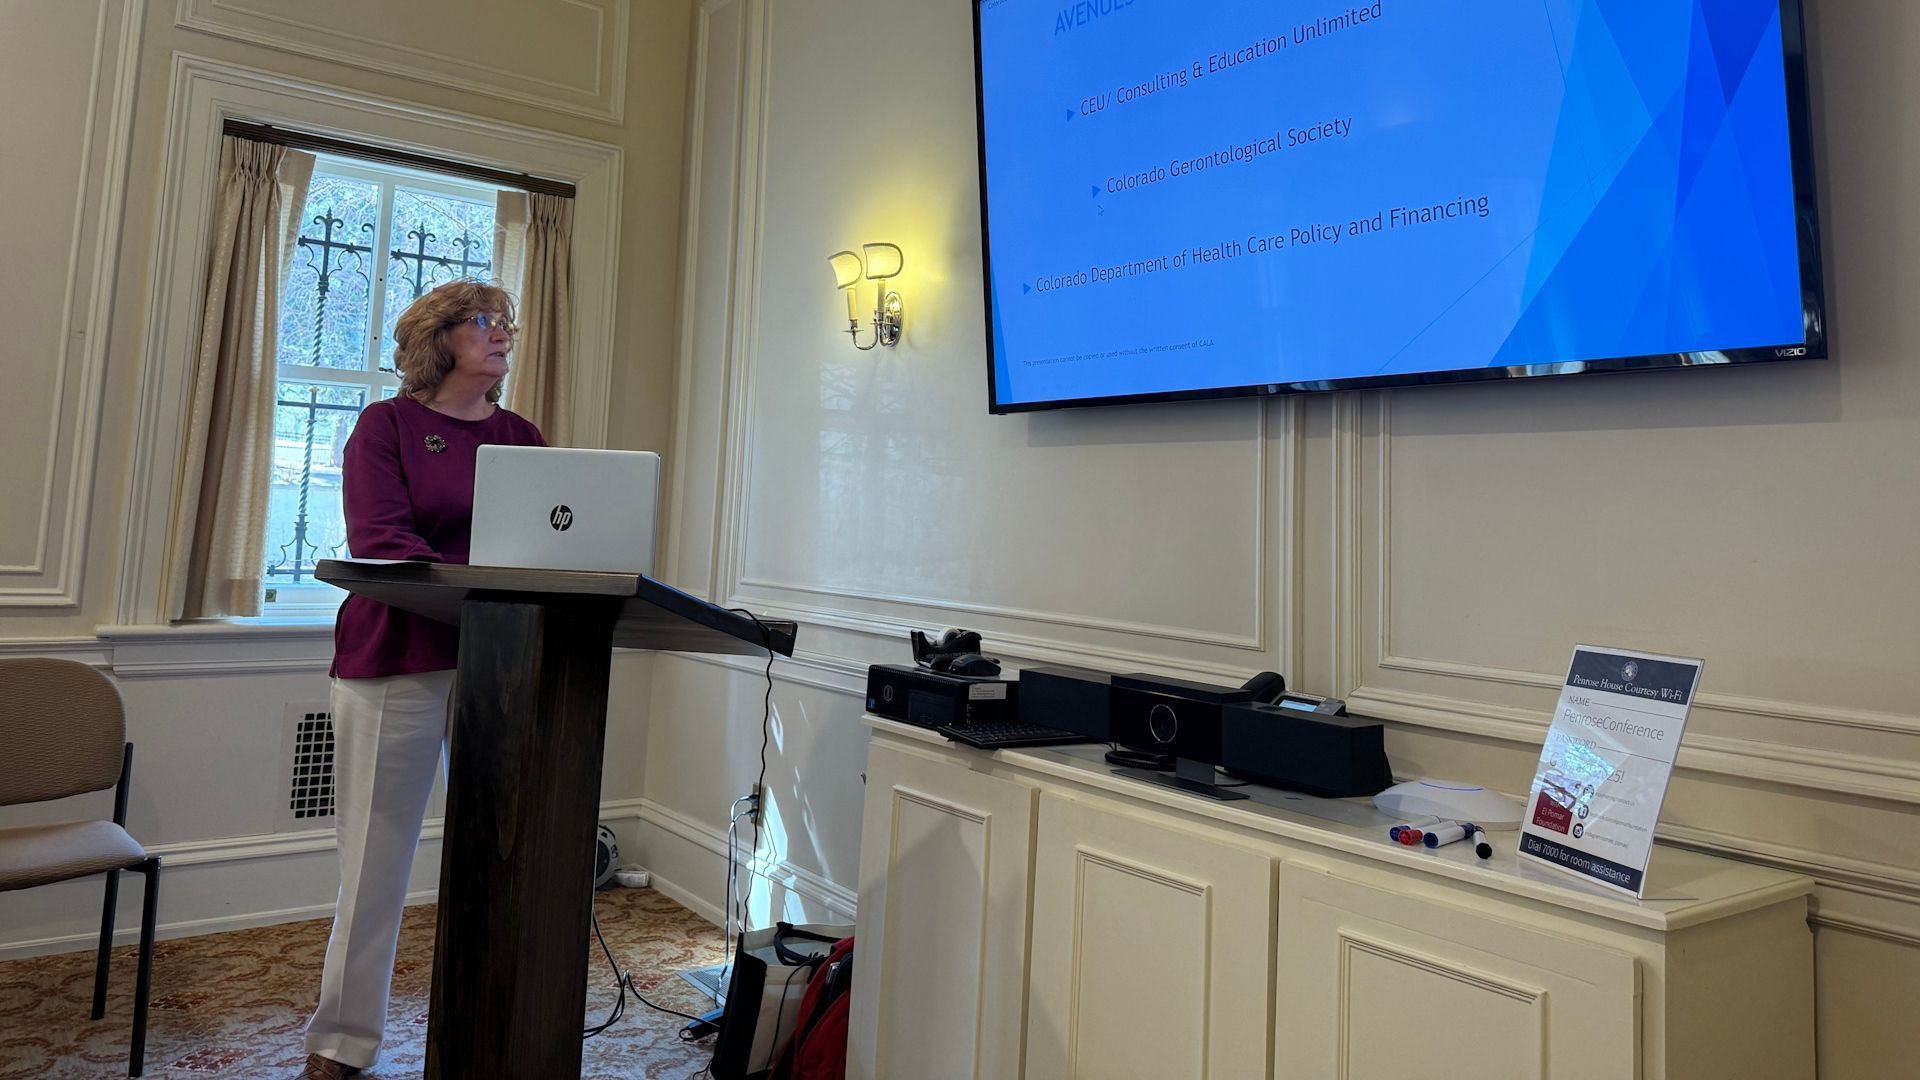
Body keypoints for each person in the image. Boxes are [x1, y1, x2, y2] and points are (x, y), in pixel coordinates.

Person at [300, 279, 545, 1080]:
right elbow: (384, 542)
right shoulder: (387, 426)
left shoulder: (523, 437)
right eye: (484, 321)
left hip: (500, 668)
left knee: (500, 854)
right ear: (440, 339)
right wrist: (493, 590)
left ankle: (491, 1023)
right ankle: (343, 1040)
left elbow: (545, 549)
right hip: (395, 660)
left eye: (505, 322)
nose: (501, 332)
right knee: (377, 861)